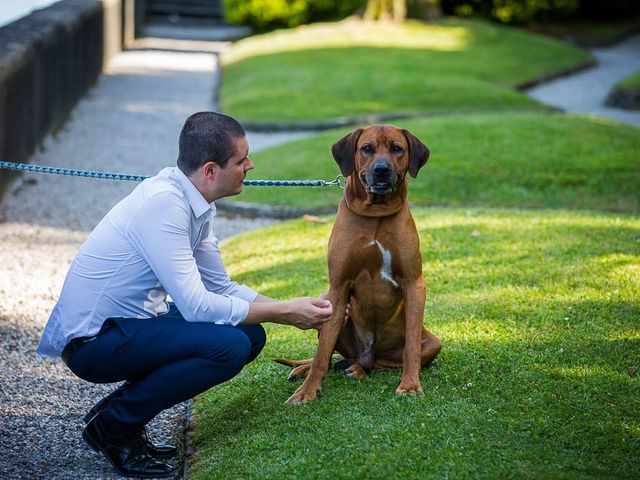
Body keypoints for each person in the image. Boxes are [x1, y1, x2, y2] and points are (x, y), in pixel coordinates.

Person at [36, 112, 334, 478]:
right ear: (210, 170)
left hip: (133, 325)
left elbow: (219, 286)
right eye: (242, 160)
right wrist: (285, 312)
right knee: (229, 347)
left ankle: (117, 413)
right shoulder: (165, 206)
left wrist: (299, 308)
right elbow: (195, 305)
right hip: (94, 342)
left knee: (250, 334)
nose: (250, 165)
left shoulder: (194, 201)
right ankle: (114, 426)